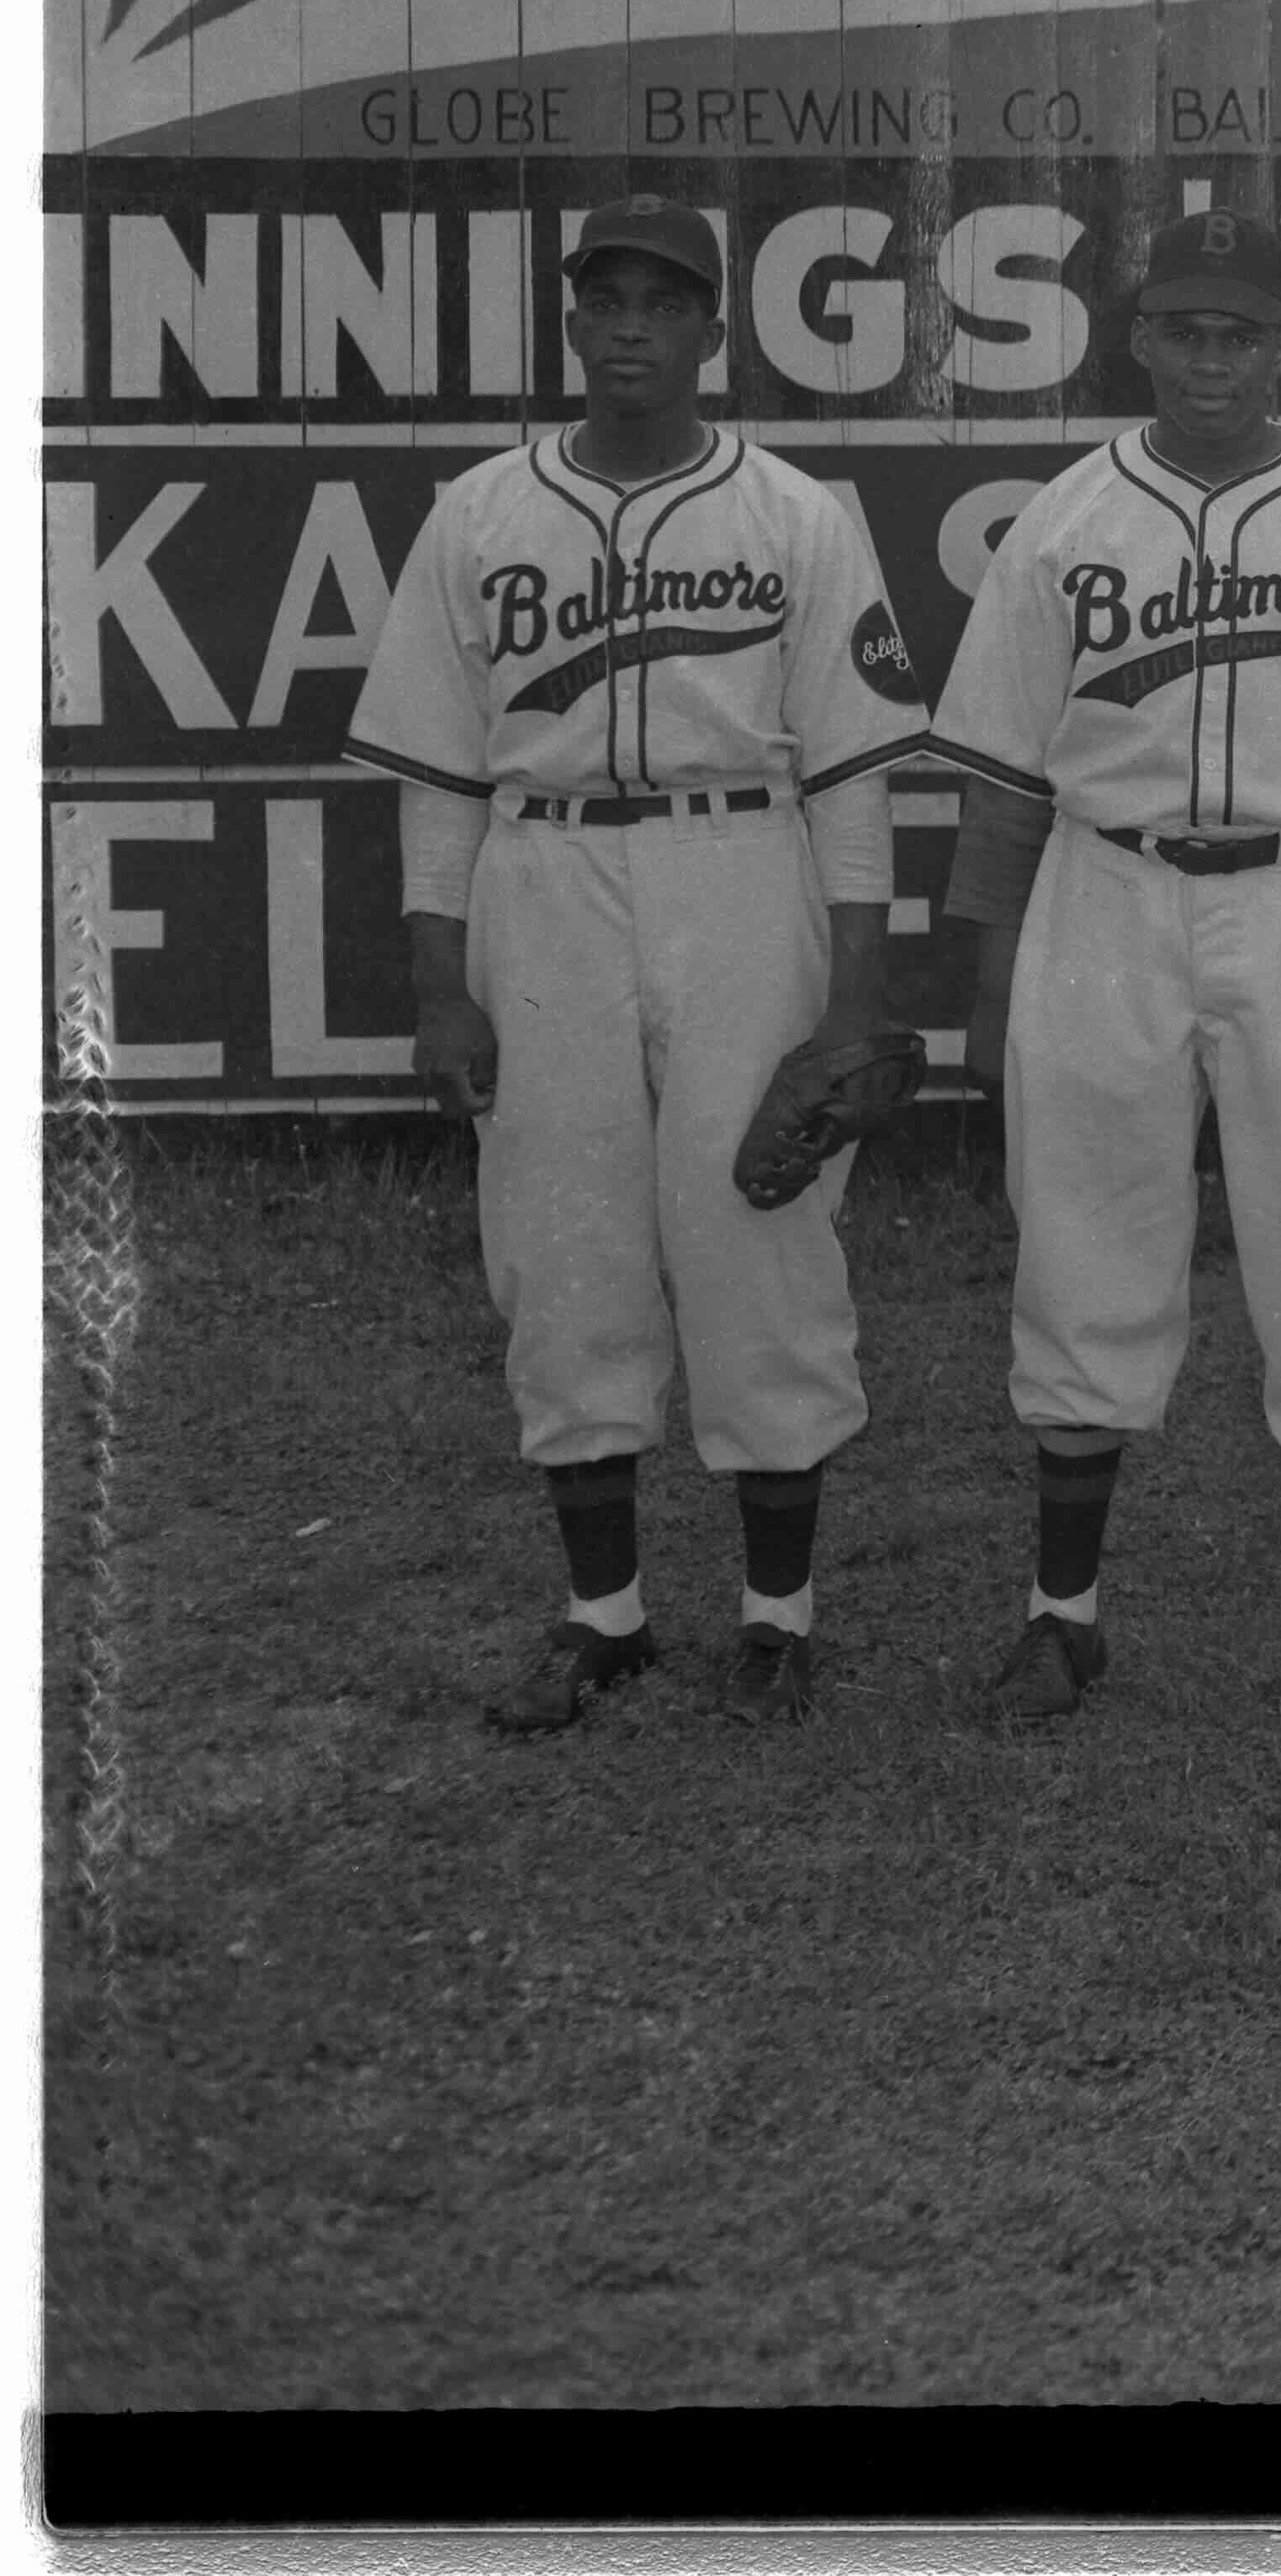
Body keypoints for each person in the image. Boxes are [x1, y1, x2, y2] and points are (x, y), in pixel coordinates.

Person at [346, 199, 928, 1732]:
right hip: (540, 878)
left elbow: (854, 774)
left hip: (743, 869)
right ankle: (603, 1617)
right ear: (571, 318)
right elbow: (440, 775)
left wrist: (858, 995)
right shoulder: (481, 514)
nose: (626, 326)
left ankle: (776, 1619)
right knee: (561, 1234)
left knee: (762, 1227)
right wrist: (435, 977)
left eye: (659, 303)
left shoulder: (795, 512)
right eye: (602, 297)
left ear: (709, 332)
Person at [927, 210, 1281, 1727]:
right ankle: (1063, 1617)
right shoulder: (1061, 522)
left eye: (1243, 332)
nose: (1214, 358)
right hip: (1102, 898)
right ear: (1142, 340)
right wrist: (987, 1000)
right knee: (1085, 1240)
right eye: (1187, 329)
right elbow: (1000, 781)